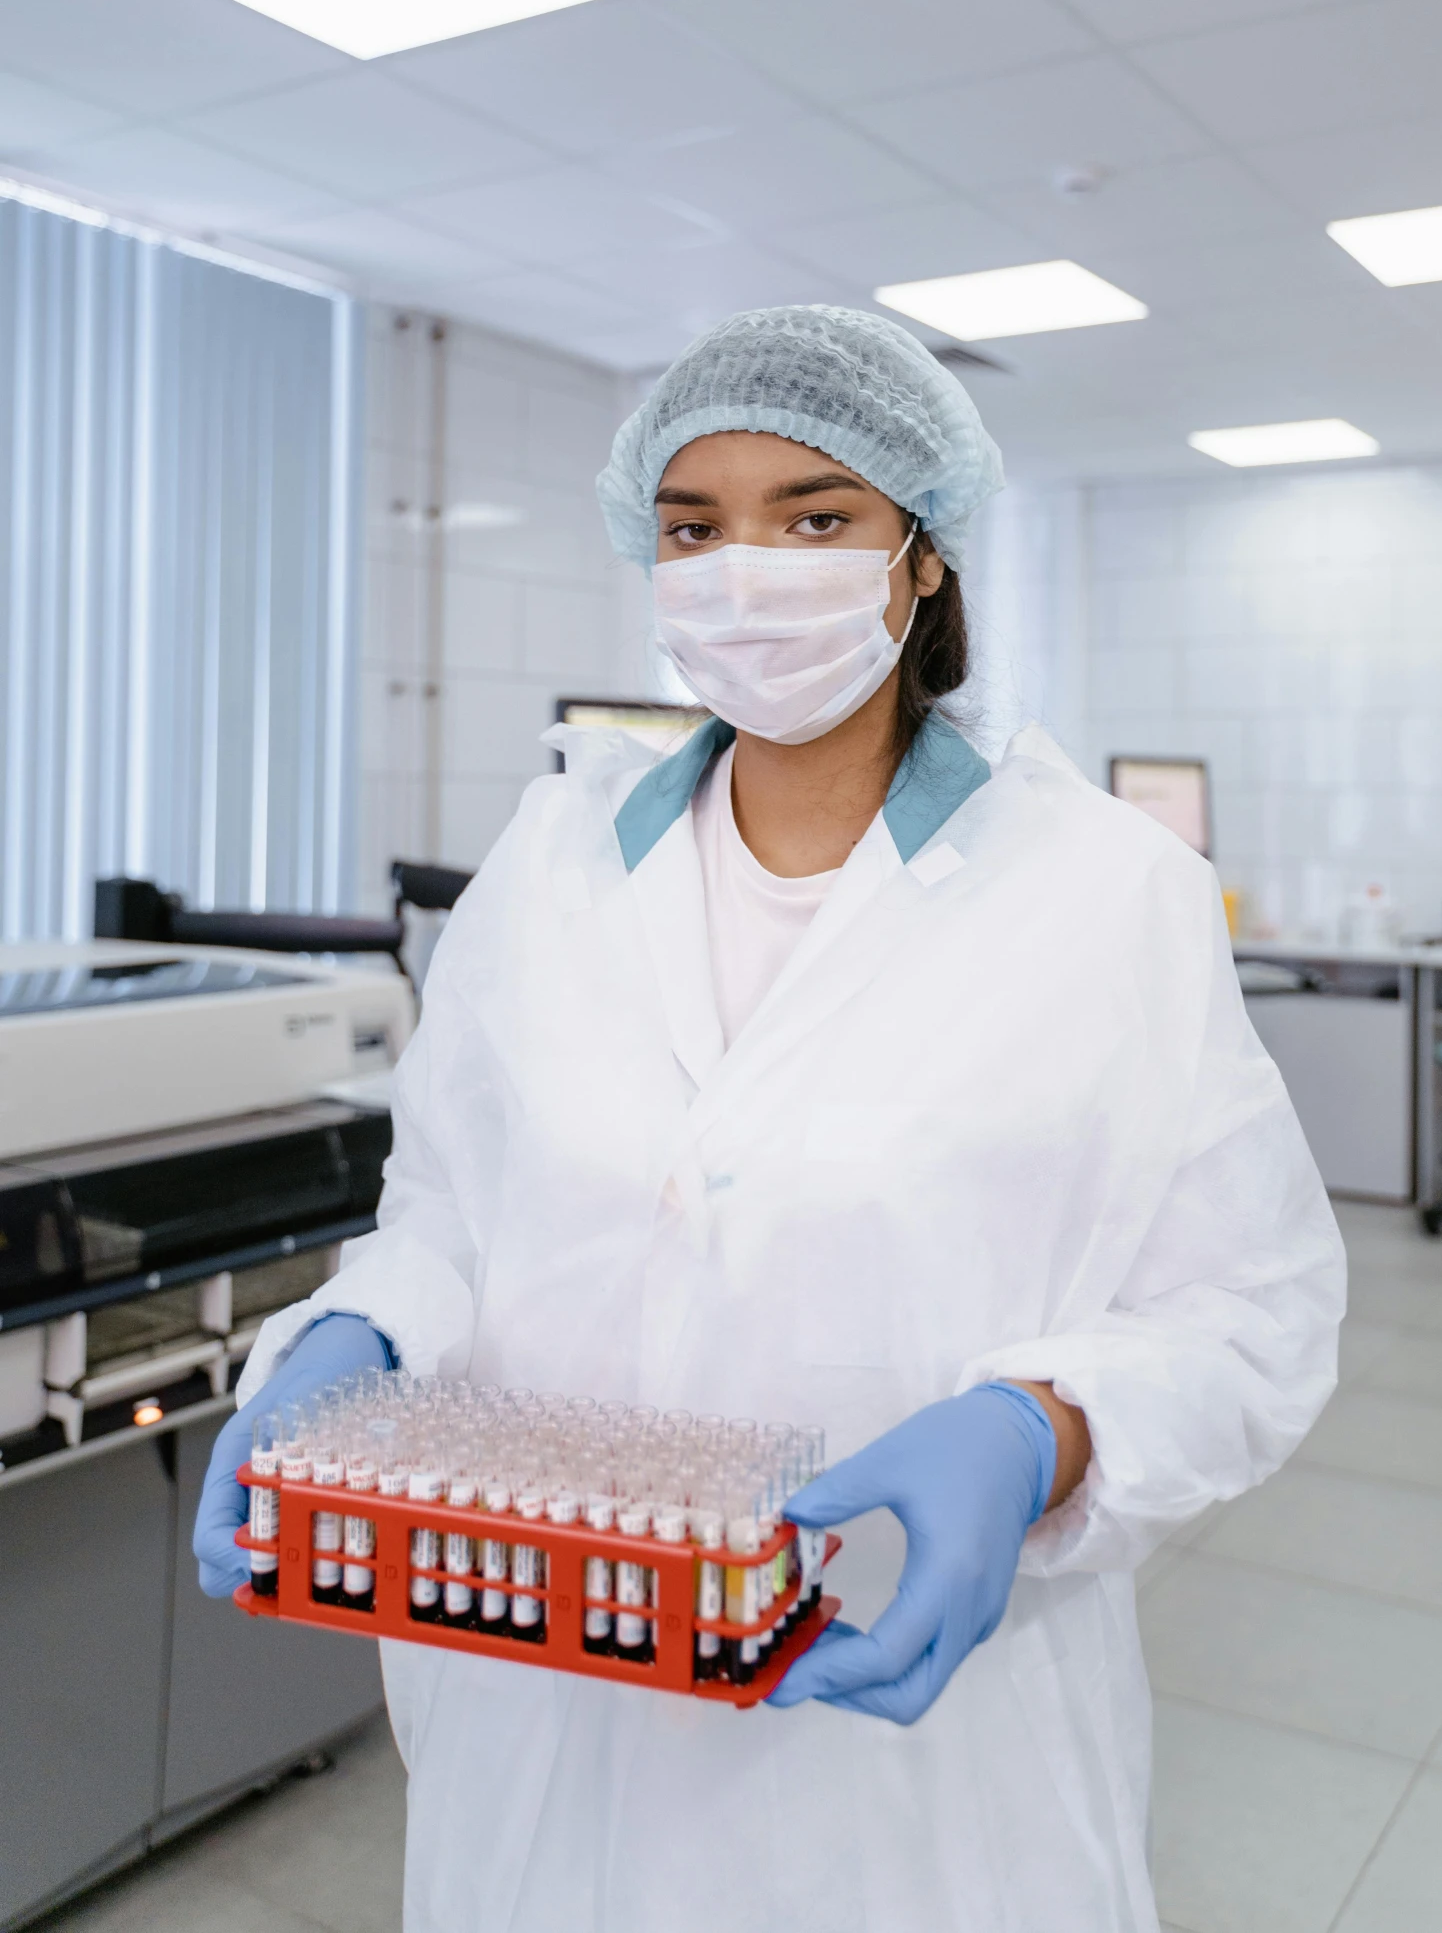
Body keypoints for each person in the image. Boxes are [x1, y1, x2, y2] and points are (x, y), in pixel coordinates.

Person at [196, 303, 1345, 1932]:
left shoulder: (1106, 893)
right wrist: (358, 1338)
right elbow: (449, 1210)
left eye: (813, 517)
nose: (746, 569)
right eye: (693, 525)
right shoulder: (553, 861)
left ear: (920, 551)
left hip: (903, 1758)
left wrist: (1042, 1427)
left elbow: (1252, 1304)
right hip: (543, 1692)